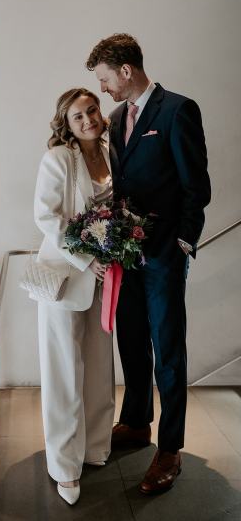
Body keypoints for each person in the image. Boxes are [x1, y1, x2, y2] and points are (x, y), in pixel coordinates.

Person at [86, 33, 211, 494]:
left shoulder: (178, 110)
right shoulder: (116, 119)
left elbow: (197, 185)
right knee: (132, 340)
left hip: (162, 255)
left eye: (104, 80)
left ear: (125, 70)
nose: (102, 91)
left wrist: (182, 242)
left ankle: (170, 448)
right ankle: (137, 421)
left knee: (168, 349)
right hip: (125, 256)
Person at [33, 87, 115, 505]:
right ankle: (65, 466)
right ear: (65, 125)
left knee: (101, 364)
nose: (87, 120)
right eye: (77, 117)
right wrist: (87, 260)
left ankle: (97, 447)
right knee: (65, 372)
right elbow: (47, 218)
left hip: (107, 278)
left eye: (92, 110)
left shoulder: (111, 152)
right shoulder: (59, 160)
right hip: (67, 278)